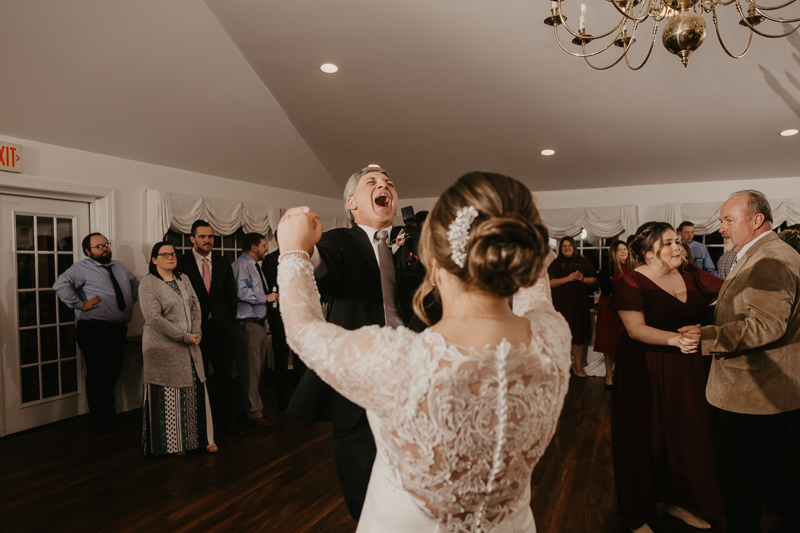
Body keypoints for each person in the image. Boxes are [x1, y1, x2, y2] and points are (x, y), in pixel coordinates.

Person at [277, 171, 571, 532]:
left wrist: (292, 249)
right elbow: (536, 293)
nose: (384, 186)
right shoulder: (553, 335)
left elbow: (303, 330)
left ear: (435, 265)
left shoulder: (400, 361)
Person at [285, 166, 427, 521]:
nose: (384, 186)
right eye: (372, 183)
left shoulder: (414, 242)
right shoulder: (339, 242)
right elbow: (323, 268)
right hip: (359, 375)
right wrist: (303, 249)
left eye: (389, 184)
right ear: (352, 203)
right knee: (360, 475)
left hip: (416, 373)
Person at [680, 191, 800, 533]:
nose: (721, 229)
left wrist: (706, 337)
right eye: (722, 221)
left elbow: (766, 325)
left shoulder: (770, 259)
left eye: (728, 220)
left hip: (751, 390)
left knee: (738, 478)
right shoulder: (765, 252)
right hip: (767, 388)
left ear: (756, 220)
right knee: (772, 469)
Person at [610, 221, 725, 532]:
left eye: (678, 241)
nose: (678, 247)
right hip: (647, 367)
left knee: (690, 436)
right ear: (648, 253)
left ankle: (682, 503)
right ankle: (639, 513)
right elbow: (636, 330)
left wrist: (705, 331)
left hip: (690, 369)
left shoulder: (692, 275)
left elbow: (729, 292)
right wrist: (675, 339)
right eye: (669, 243)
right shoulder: (632, 282)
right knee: (651, 437)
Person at [53, 232, 139, 434]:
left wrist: (129, 300)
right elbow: (60, 285)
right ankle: (98, 420)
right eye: (99, 246)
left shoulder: (119, 266)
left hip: (117, 331)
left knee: (111, 374)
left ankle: (108, 415)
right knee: (98, 375)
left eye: (106, 244)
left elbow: (134, 282)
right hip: (94, 330)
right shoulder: (81, 268)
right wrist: (80, 304)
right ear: (87, 251)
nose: (104, 248)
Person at [140, 241, 217, 455]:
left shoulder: (183, 278)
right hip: (162, 348)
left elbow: (196, 307)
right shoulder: (148, 284)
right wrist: (184, 336)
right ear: (154, 259)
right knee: (168, 395)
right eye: (164, 255)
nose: (170, 257)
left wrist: (197, 333)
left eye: (172, 254)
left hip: (191, 344)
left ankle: (203, 438)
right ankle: (174, 445)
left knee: (196, 387)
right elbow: (154, 318)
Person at [177, 220, 242, 436]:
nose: (208, 240)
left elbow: (231, 295)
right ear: (192, 239)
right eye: (203, 236)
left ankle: (226, 421)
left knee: (225, 377)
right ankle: (199, 424)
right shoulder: (181, 263)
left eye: (211, 236)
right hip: (195, 330)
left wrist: (229, 321)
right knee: (197, 378)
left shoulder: (223, 261)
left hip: (220, 329)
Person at [231, 233, 279, 427]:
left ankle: (253, 409)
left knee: (257, 372)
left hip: (258, 325)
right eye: (263, 245)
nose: (266, 248)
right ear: (253, 247)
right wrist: (265, 298)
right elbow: (240, 292)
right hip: (247, 325)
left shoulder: (254, 266)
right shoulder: (241, 266)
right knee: (250, 372)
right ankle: (253, 413)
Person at [548, 236, 597, 377]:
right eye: (564, 246)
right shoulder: (556, 263)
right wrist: (567, 278)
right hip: (561, 306)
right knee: (562, 336)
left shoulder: (584, 261)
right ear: (560, 248)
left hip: (579, 305)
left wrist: (583, 279)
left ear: (574, 247)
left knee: (578, 335)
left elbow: (594, 280)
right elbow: (549, 283)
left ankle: (578, 366)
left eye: (569, 245)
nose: (567, 248)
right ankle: (563, 367)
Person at [593, 239, 631, 389]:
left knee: (625, 343)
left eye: (625, 249)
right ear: (613, 253)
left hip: (627, 310)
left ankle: (623, 376)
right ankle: (609, 374)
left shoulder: (634, 267)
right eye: (619, 250)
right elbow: (606, 290)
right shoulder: (607, 268)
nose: (623, 252)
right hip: (609, 309)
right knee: (609, 344)